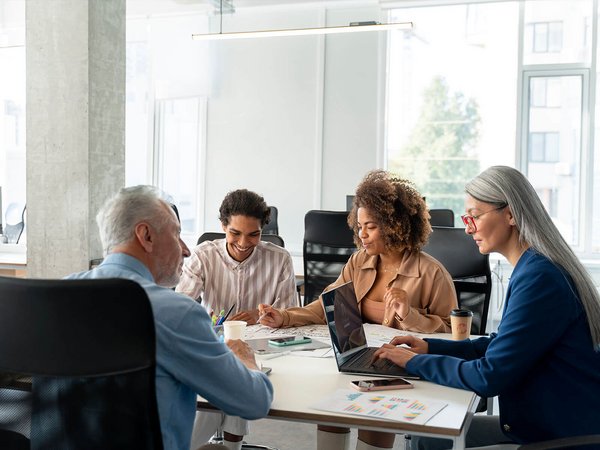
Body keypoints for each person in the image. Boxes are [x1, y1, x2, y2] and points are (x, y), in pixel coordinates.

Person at [372, 166, 600, 448]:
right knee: (428, 436)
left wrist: (414, 362)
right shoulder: (533, 267)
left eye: (475, 216)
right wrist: (431, 347)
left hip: (561, 438)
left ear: (511, 214)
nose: (468, 227)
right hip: (538, 424)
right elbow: (501, 344)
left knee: (430, 438)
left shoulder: (540, 278)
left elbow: (489, 376)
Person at [259, 170, 458, 450]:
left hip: (401, 368)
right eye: (359, 226)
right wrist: (286, 316)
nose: (361, 235)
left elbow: (454, 333)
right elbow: (328, 305)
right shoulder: (359, 261)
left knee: (373, 414)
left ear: (395, 224)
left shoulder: (431, 273)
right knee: (329, 403)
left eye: (371, 226)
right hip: (359, 358)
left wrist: (409, 314)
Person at [66, 185, 273, 450]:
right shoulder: (177, 313)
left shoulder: (56, 297)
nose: (186, 250)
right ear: (146, 235)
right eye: (177, 235)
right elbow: (254, 402)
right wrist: (246, 362)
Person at [176, 188, 296, 449]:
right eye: (235, 233)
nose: (243, 242)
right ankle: (229, 446)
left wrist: (260, 315)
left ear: (263, 230)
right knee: (227, 372)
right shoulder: (204, 255)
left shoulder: (280, 259)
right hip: (214, 344)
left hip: (263, 349)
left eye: (254, 234)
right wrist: (200, 320)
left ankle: (230, 445)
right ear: (223, 226)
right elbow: (181, 307)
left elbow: (290, 316)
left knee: (237, 370)